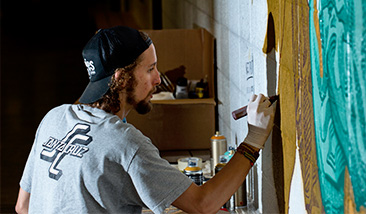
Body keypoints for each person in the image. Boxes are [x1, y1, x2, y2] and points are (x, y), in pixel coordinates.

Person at [15, 26, 277, 214]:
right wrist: (254, 138)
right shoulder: (124, 143)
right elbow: (203, 204)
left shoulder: (53, 118)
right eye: (150, 69)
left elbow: (23, 206)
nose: (157, 79)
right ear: (121, 78)